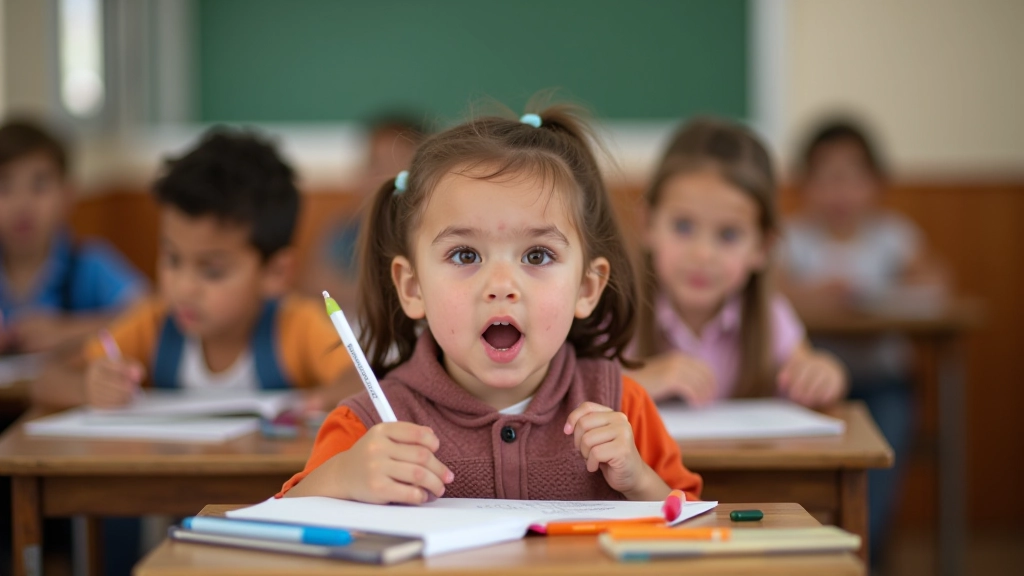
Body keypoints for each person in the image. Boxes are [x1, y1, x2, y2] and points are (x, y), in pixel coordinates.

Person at [280, 104, 702, 504]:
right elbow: (279, 525)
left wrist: (639, 481)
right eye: (466, 255)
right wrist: (344, 478)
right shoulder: (366, 424)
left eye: (537, 256)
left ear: (587, 289)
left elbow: (695, 525)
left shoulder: (623, 405)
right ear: (412, 288)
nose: (501, 285)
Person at [34, 127, 357, 409]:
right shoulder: (153, 323)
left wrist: (328, 398)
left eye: (212, 271)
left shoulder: (295, 326)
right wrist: (88, 387)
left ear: (275, 273)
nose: (183, 287)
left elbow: (360, 382)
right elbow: (47, 378)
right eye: (173, 260)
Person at [778, 119, 947, 564]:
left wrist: (884, 295)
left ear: (875, 183)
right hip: (811, 388)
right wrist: (817, 295)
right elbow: (769, 296)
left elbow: (935, 285)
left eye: (852, 177)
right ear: (805, 184)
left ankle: (860, 559)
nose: (840, 192)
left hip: (885, 382)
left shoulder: (893, 235)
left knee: (874, 496)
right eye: (827, 178)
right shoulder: (793, 238)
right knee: (810, 493)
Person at [628, 117, 846, 408]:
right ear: (647, 225)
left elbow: (811, 371)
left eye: (728, 235)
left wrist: (824, 375)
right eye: (682, 226)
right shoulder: (618, 314)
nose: (703, 254)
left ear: (762, 246)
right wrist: (636, 382)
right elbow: (573, 393)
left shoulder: (771, 317)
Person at [0, 118, 145, 354]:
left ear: (68, 195)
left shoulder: (89, 264)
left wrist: (68, 331)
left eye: (39, 185)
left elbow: (151, 315)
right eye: (4, 186)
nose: (22, 204)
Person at [303, 114, 429, 312]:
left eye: (392, 165)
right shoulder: (346, 226)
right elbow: (316, 285)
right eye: (372, 165)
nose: (377, 178)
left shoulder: (427, 228)